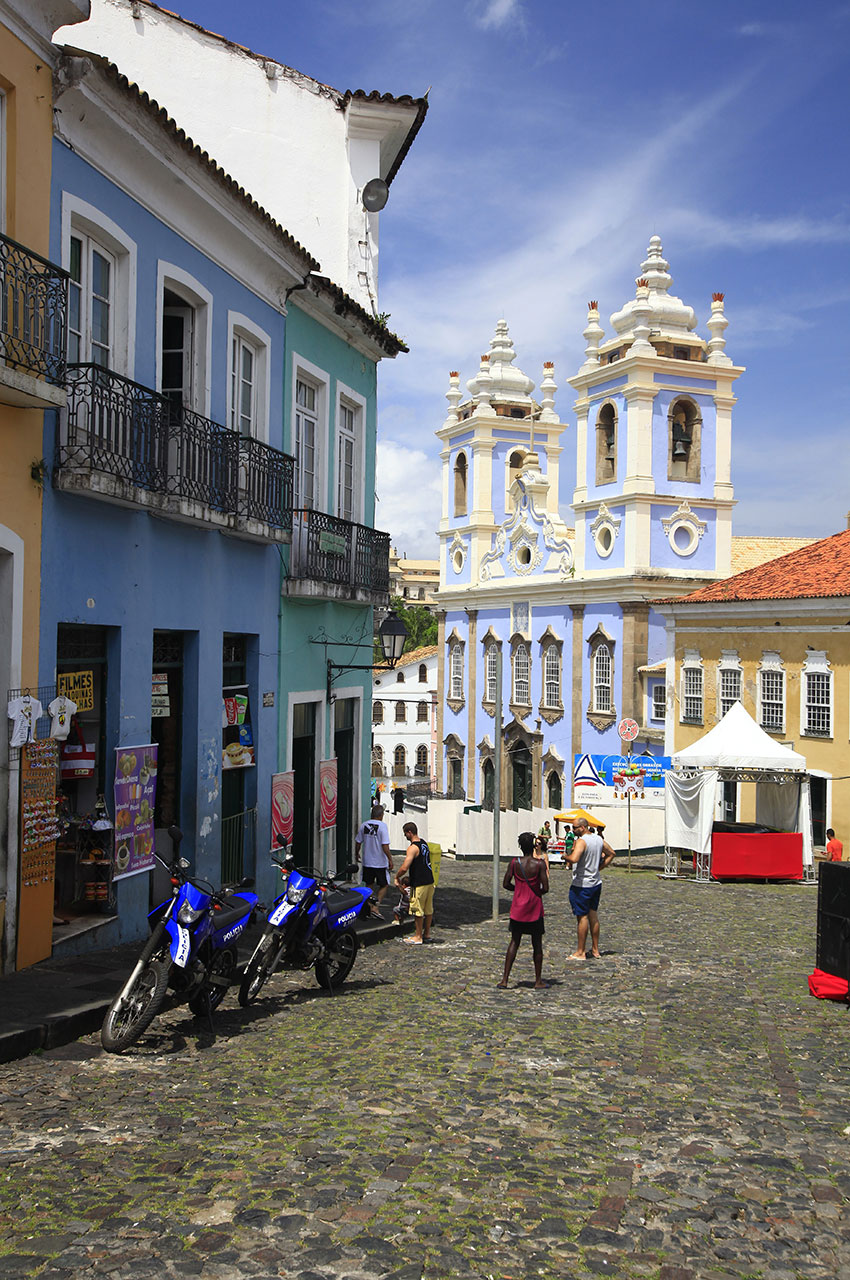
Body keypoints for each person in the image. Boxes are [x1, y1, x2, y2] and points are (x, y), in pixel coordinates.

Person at [498, 831, 549, 989]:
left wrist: (519, 889)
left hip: (518, 908)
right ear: (534, 845)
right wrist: (534, 892)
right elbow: (545, 888)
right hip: (534, 908)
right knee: (537, 944)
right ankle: (538, 980)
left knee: (514, 942)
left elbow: (505, 883)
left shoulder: (514, 863)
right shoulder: (539, 864)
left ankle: (505, 979)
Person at [565, 817, 615, 960]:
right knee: (593, 915)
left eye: (574, 828)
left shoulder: (582, 841)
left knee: (583, 917)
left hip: (582, 884)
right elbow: (612, 853)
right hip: (596, 883)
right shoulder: (598, 840)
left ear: (582, 827)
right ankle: (595, 949)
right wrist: (600, 868)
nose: (573, 830)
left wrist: (565, 856)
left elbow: (574, 859)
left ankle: (580, 952)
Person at [395, 821, 434, 943]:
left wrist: (397, 876)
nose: (405, 836)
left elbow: (405, 867)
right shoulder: (424, 843)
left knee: (417, 910)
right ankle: (426, 934)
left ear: (410, 832)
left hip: (418, 883)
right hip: (429, 881)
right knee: (428, 910)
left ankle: (418, 936)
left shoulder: (412, 848)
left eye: (405, 834)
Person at [354, 804, 393, 915]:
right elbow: (385, 845)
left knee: (369, 884)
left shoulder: (364, 825)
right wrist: (390, 859)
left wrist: (357, 853)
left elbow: (358, 842)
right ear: (381, 815)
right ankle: (376, 906)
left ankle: (370, 905)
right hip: (380, 862)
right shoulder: (382, 826)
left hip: (367, 861)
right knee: (384, 885)